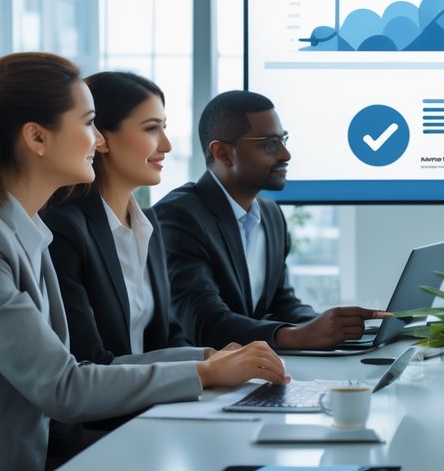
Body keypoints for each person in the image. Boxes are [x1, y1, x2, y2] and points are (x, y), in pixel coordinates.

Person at [0, 53, 287, 471]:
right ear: (37, 138)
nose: (95, 140)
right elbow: (64, 385)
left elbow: (81, 369)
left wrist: (209, 358)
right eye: (88, 123)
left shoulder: (27, 229)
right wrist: (204, 372)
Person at [154, 90, 382, 349]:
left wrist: (344, 328)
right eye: (270, 144)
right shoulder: (179, 217)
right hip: (205, 383)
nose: (285, 154)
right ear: (223, 153)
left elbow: (282, 305)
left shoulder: (271, 215)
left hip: (255, 374)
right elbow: (204, 323)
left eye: (283, 140)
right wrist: (300, 336)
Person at [43, 72, 205, 365]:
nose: (166, 145)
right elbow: (87, 360)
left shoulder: (148, 223)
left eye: (164, 128)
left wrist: (213, 357)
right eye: (152, 128)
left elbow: (166, 336)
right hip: (103, 407)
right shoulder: (63, 228)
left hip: (153, 404)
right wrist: (205, 368)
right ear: (100, 138)